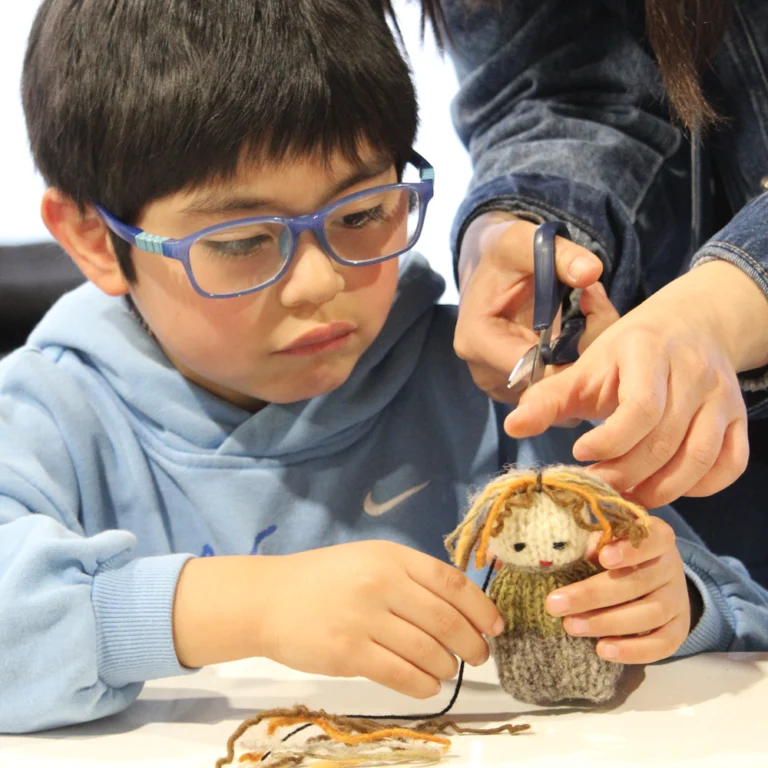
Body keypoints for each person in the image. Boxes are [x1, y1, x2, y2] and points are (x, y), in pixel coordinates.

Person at [2, 0, 766, 736]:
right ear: (94, 240)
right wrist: (242, 608)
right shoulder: (50, 413)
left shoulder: (498, 396)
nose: (317, 284)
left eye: (363, 215)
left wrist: (675, 608)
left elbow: (737, 612)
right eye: (240, 242)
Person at [392, 0, 768, 586]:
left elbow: (724, 609)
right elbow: (564, 84)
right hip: (672, 414)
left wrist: (719, 305)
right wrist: (511, 224)